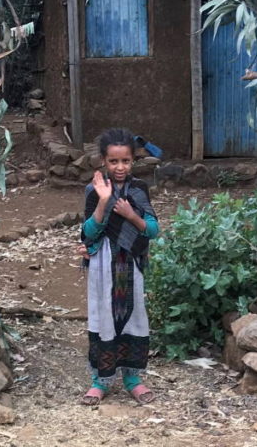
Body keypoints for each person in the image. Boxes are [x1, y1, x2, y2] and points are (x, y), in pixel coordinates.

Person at [79, 127, 160, 406]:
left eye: (125, 160)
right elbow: (88, 234)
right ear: (103, 160)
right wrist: (103, 201)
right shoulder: (93, 190)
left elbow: (152, 229)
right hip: (103, 263)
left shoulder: (138, 190)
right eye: (113, 161)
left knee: (133, 315)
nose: (120, 166)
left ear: (133, 161)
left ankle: (132, 379)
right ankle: (100, 381)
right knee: (103, 316)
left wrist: (130, 215)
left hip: (131, 264)